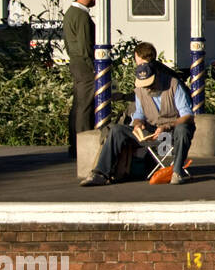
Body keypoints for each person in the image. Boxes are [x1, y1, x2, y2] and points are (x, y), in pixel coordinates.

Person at [80, 42, 193, 187]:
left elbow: (188, 115)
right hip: (151, 129)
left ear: (156, 74)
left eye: (149, 83)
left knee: (184, 128)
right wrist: (137, 124)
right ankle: (101, 173)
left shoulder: (173, 84)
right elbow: (139, 113)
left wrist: (167, 126)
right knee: (116, 130)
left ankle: (177, 172)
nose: (146, 87)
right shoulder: (140, 89)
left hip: (172, 129)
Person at [62, 0, 96, 158]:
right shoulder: (82, 15)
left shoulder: (69, 13)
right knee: (85, 106)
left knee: (77, 105)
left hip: (75, 62)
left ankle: (74, 143)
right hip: (84, 65)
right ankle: (83, 145)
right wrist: (94, 67)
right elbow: (85, 46)